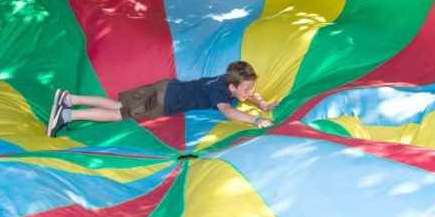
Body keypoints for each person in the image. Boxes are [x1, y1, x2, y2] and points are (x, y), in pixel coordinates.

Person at [47, 61, 277, 137]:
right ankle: (67, 115)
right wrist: (255, 120)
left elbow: (251, 95)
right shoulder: (220, 93)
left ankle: (69, 99)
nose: (250, 91)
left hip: (166, 86)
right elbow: (228, 112)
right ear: (232, 86)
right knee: (120, 114)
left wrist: (263, 104)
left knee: (119, 104)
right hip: (163, 102)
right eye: (247, 88)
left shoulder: (227, 81)